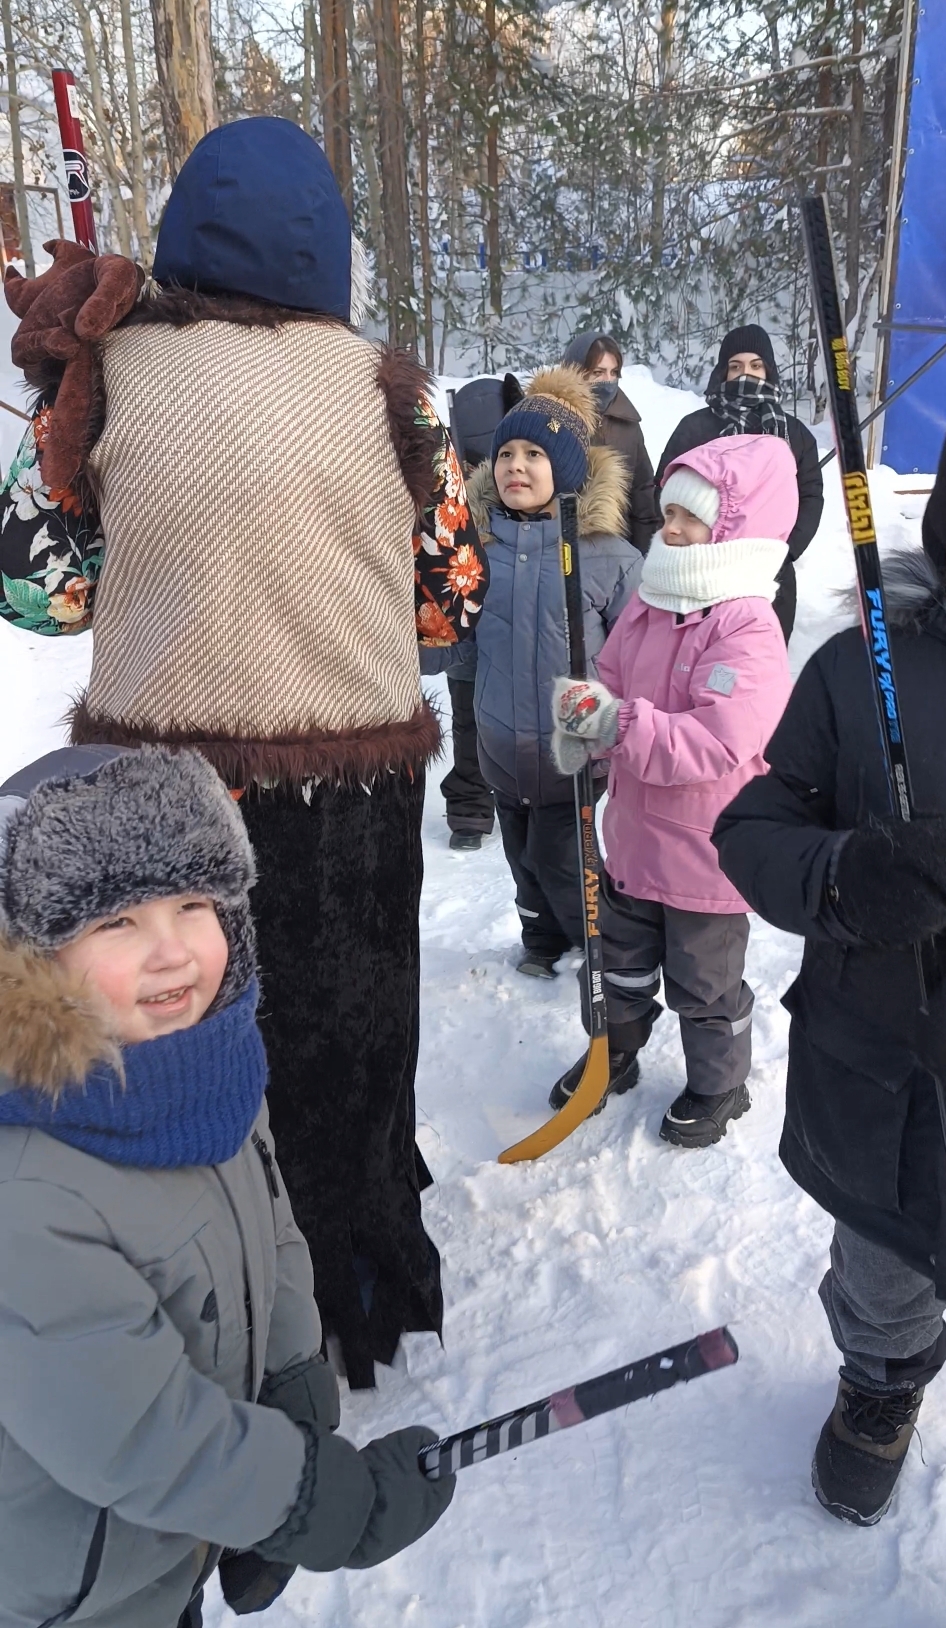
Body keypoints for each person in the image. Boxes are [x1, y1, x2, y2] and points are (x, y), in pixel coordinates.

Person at [0, 116, 489, 1391]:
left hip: (164, 802)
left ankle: (194, 1299)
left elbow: (37, 591)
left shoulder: (111, 371)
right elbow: (452, 603)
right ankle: (358, 1285)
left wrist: (66, 407)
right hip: (352, 790)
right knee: (351, 1041)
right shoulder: (391, 391)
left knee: (175, 1040)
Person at [714, 337, 946, 1627]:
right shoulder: (869, 662)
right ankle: (880, 1375)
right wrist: (846, 878)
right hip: (879, 1094)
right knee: (875, 1281)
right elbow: (754, 826)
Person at [0, 745, 454, 1628]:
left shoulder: (210, 1066)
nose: (172, 952)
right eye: (117, 921)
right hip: (69, 1599)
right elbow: (137, 1434)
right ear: (33, 958)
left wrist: (296, 1390)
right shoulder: (29, 1190)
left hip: (164, 1553)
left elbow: (270, 1232)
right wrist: (312, 1499)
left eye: (193, 905)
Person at [546, 435, 796, 1145]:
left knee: (704, 985)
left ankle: (719, 1084)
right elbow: (609, 677)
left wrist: (616, 724)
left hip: (705, 858)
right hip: (632, 840)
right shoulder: (652, 601)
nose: (673, 530)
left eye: (691, 518)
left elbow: (719, 741)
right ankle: (613, 1054)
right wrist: (583, 722)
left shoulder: (747, 626)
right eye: (669, 516)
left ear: (734, 532)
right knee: (616, 966)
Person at [468, 365, 640, 977]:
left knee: (564, 861)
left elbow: (636, 655)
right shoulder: (478, 551)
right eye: (505, 454)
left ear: (565, 469)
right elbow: (460, 646)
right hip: (501, 743)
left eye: (534, 454)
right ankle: (540, 938)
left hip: (575, 752)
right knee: (521, 859)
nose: (515, 466)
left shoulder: (609, 558)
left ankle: (600, 947)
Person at [656, 324, 824, 642]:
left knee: (758, 658)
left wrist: (786, 550)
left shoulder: (794, 433)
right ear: (723, 372)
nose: (746, 374)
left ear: (768, 371)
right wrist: (687, 541)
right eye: (736, 366)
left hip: (769, 573)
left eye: (755, 365)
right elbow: (663, 488)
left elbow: (810, 495)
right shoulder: (696, 427)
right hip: (700, 570)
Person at [426, 373, 522, 851]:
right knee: (471, 712)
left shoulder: (523, 478)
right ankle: (471, 805)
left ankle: (485, 803)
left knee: (490, 714)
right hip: (468, 616)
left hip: (502, 616)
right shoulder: (447, 485)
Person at [563, 332, 660, 553]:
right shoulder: (553, 419)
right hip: (563, 549)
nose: (607, 381)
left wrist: (642, 552)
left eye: (614, 372)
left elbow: (642, 492)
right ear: (575, 371)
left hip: (618, 549)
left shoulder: (628, 425)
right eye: (597, 372)